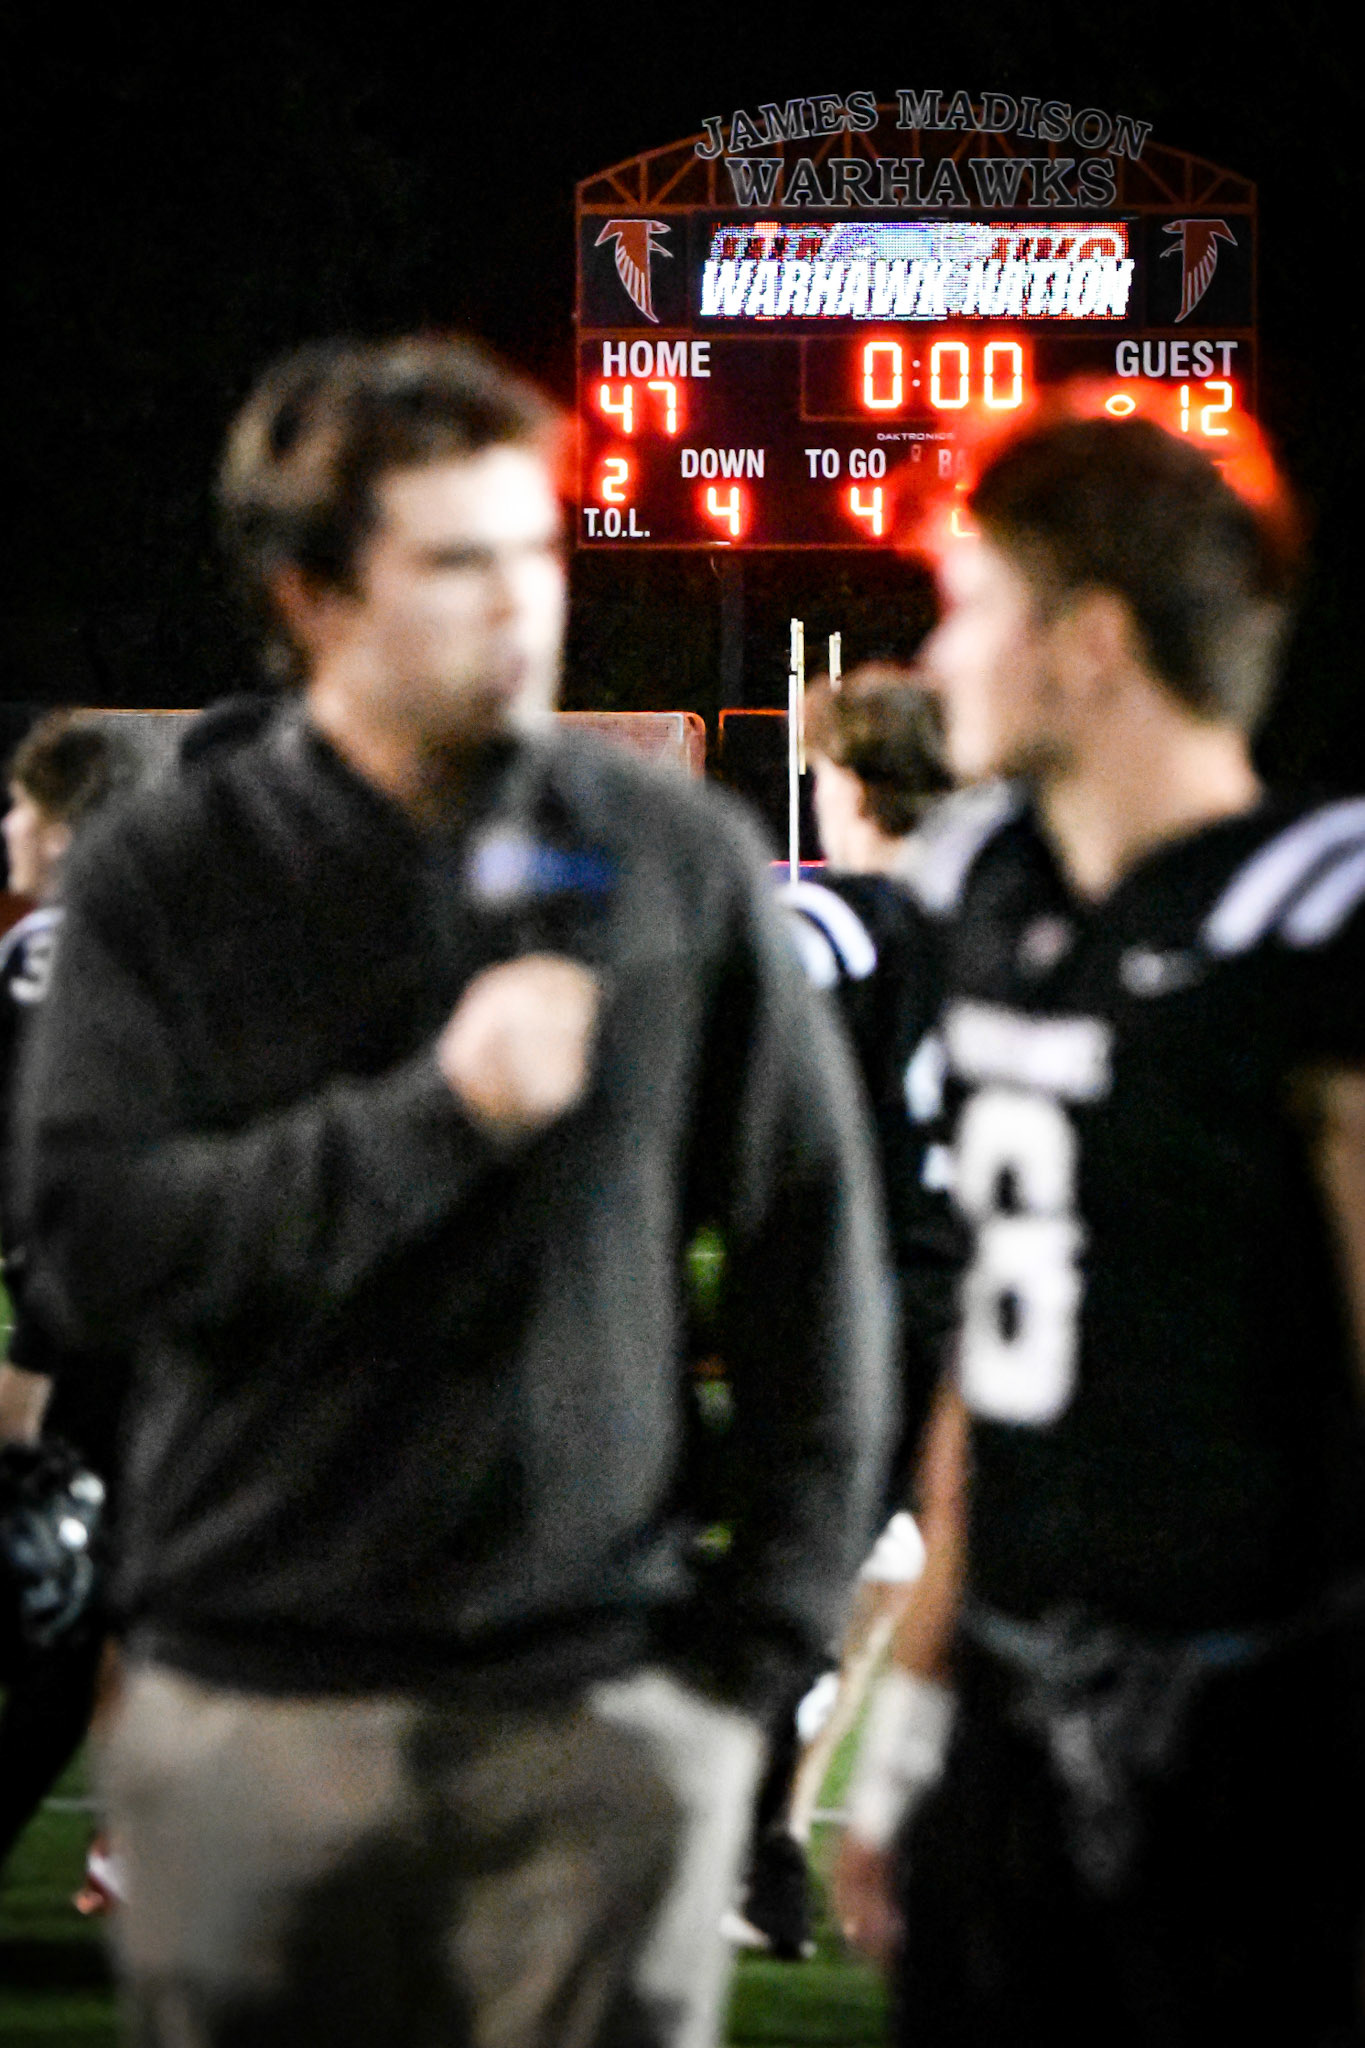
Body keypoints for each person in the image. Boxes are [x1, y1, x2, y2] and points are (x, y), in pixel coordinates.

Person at [10, 337, 893, 2048]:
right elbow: (93, 1258)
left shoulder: (670, 860)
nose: (520, 601)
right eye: (456, 560)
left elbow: (820, 1265)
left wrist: (750, 1664)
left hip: (590, 1705)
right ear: (312, 598)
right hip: (261, 1704)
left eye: (535, 549)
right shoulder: (174, 879)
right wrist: (434, 1120)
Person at [836, 411, 1365, 2045]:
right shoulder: (988, 895)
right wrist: (913, 1728)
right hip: (1013, 1698)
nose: (939, 656)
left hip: (1259, 1716)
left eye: (972, 605)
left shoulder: (1308, 914)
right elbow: (996, 1353)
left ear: (1090, 643)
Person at [726, 669, 958, 1960]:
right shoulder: (1002, 917)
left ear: (849, 782)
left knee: (781, 1584)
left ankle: (746, 1852)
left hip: (862, 1297)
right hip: (987, 1298)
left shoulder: (835, 920)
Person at [1, 712, 134, 1880]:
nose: (8, 825)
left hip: (102, 1323)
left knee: (56, 1597)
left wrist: (33, 1357)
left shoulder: (61, 955)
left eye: (24, 806)